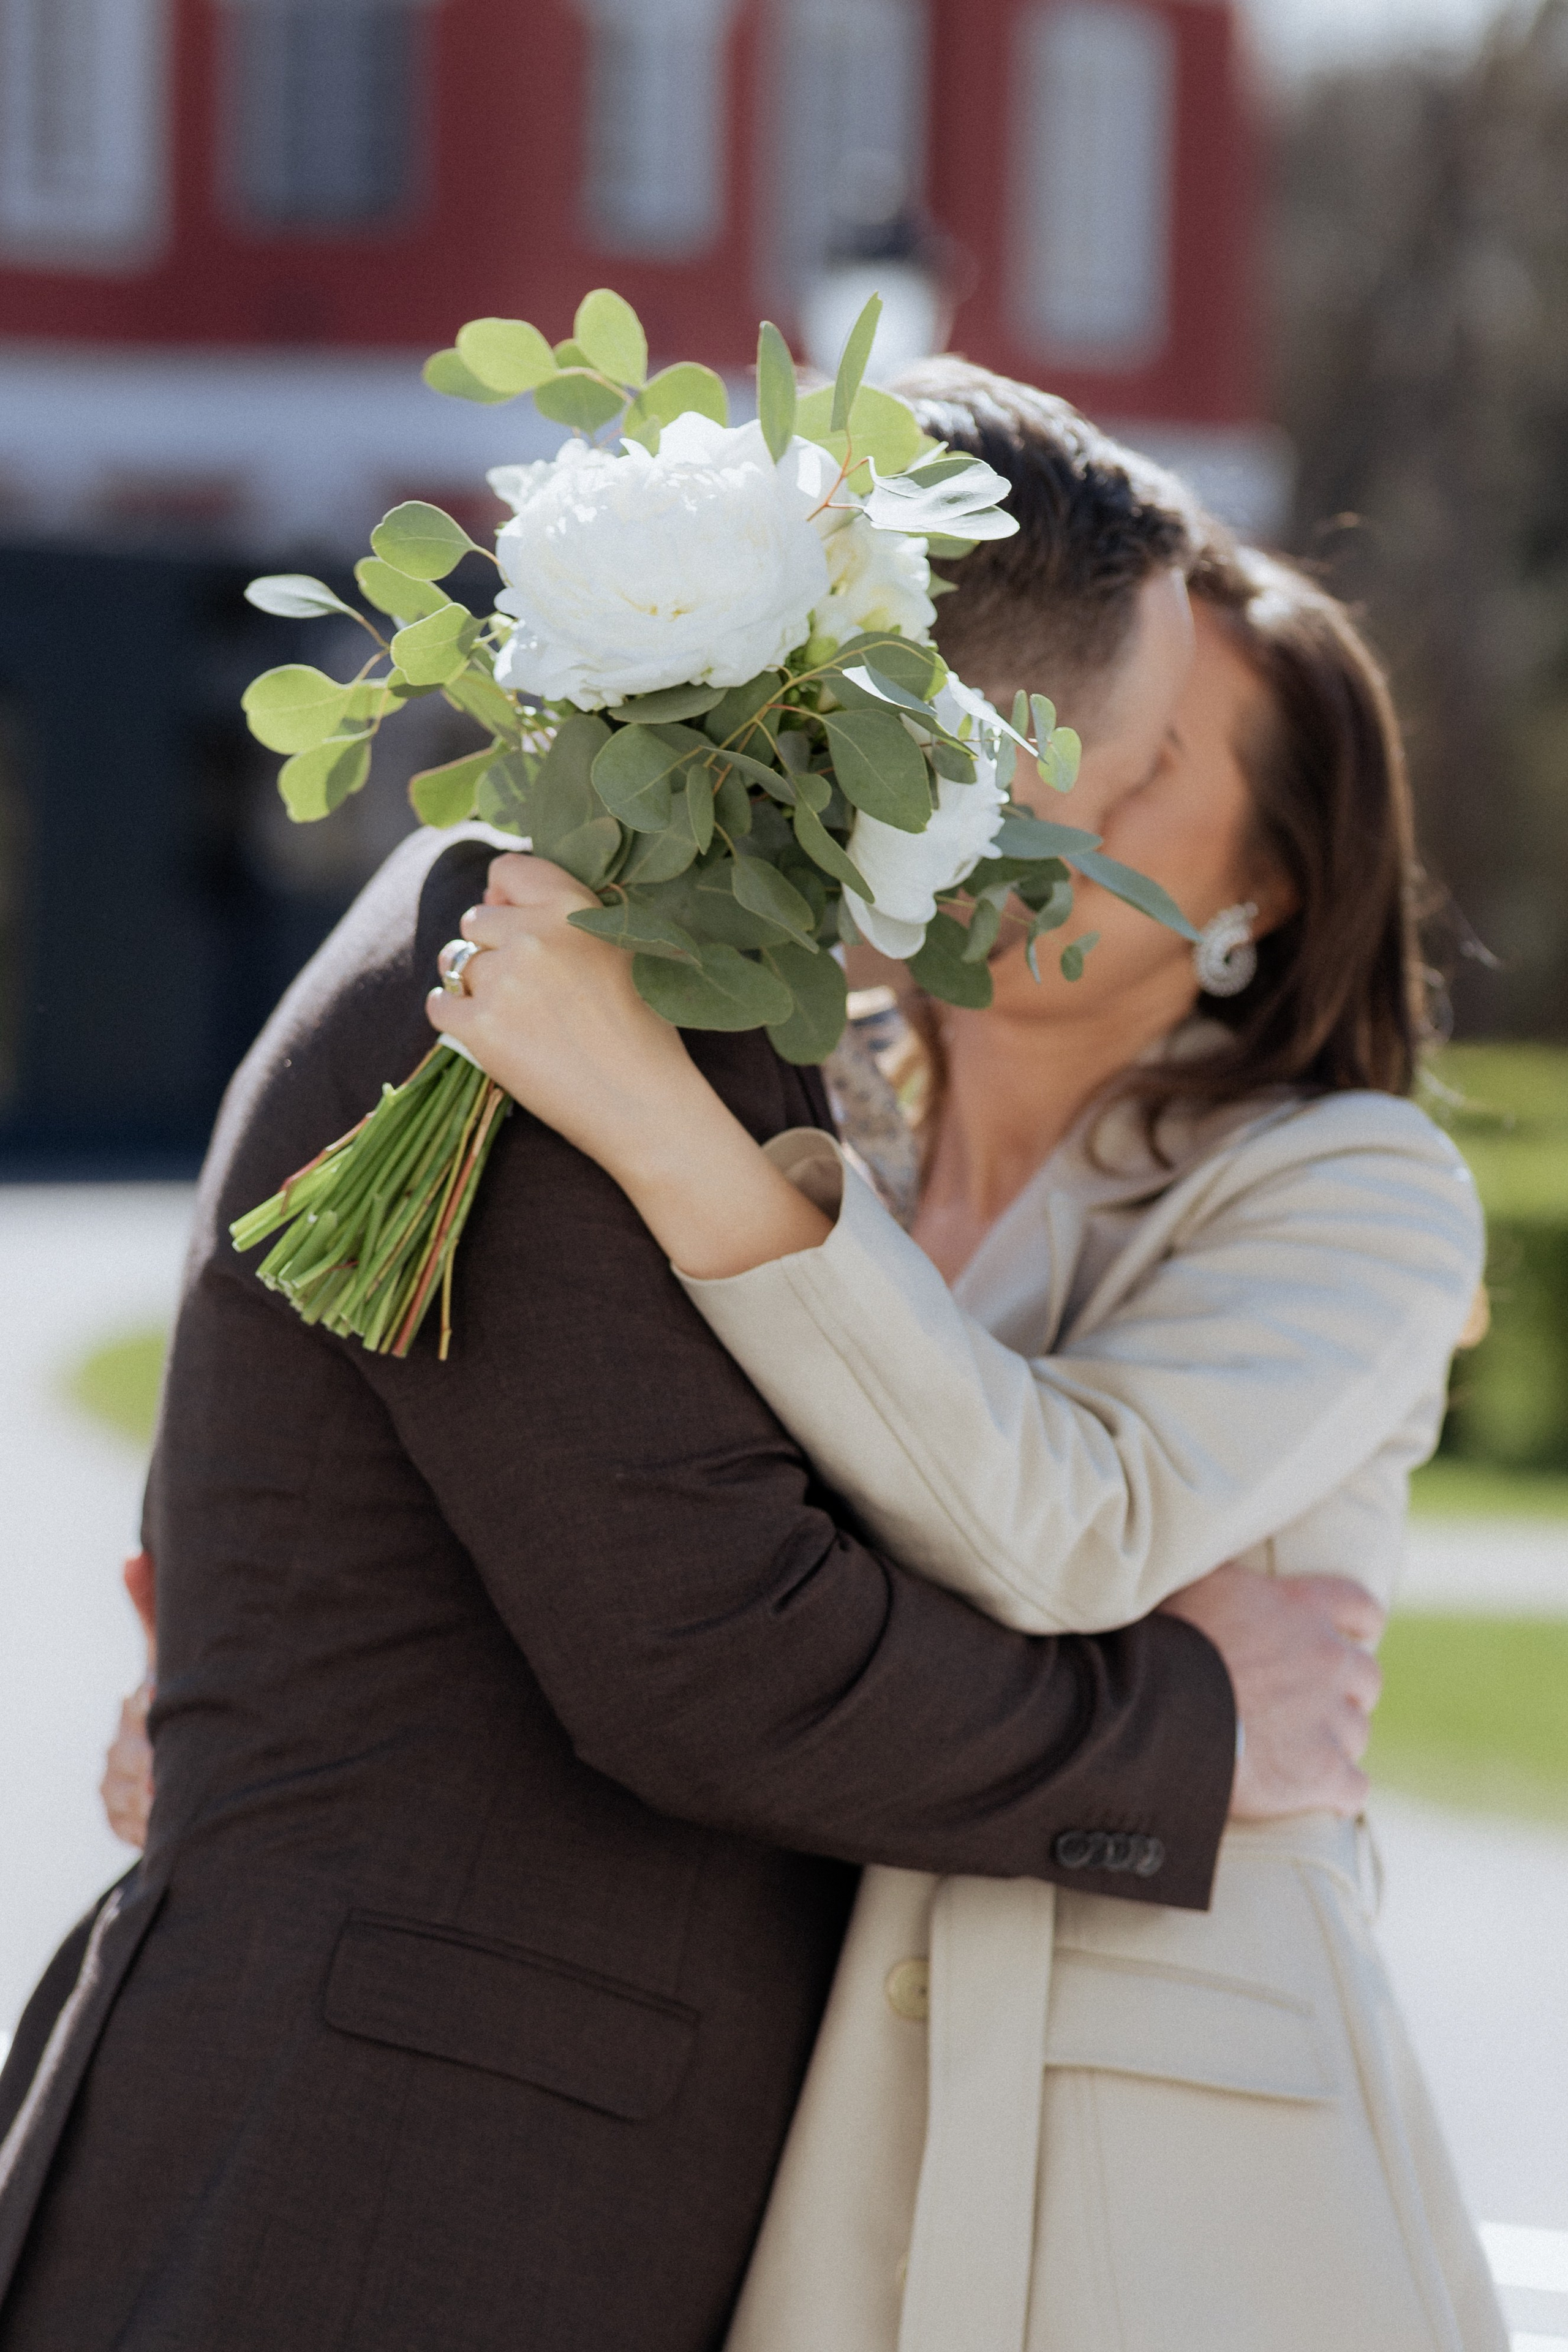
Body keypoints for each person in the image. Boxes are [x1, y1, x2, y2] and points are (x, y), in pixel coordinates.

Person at [0, 377, 1380, 2352]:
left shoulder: (677, 998)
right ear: (973, 752)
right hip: (373, 2184)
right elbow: (713, 1657)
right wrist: (1190, 1731)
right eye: (1135, 757)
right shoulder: (548, 979)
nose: (1121, 832)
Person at [422, 462, 1502, 2340]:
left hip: (1180, 2176)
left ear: (1269, 883)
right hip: (804, 2121)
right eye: (1053, 732)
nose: (1059, 793)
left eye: (1153, 760)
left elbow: (1067, 1526)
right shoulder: (798, 1094)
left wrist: (677, 1140)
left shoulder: (1353, 1183)